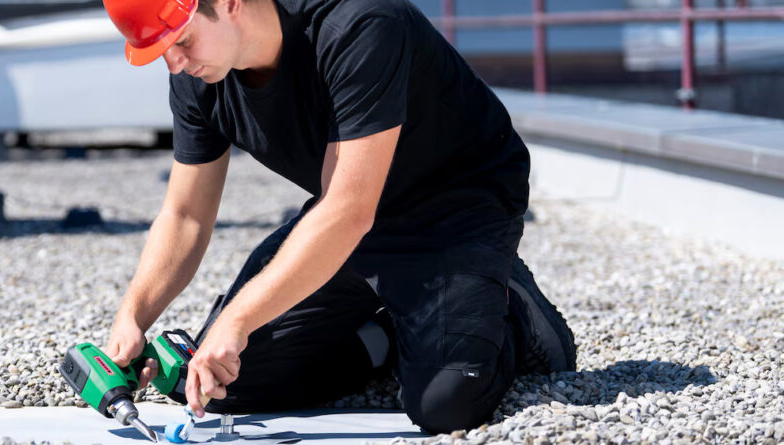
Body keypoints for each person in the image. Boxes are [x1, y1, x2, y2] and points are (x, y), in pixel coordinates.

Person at [100, 0, 577, 433]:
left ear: (229, 3)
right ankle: (394, 331)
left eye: (181, 40)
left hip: (457, 208)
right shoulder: (198, 78)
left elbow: (348, 210)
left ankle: (509, 308)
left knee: (445, 403)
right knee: (225, 383)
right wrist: (133, 316)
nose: (175, 62)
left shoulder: (358, 23)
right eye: (161, 50)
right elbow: (185, 216)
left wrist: (238, 319)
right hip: (349, 213)